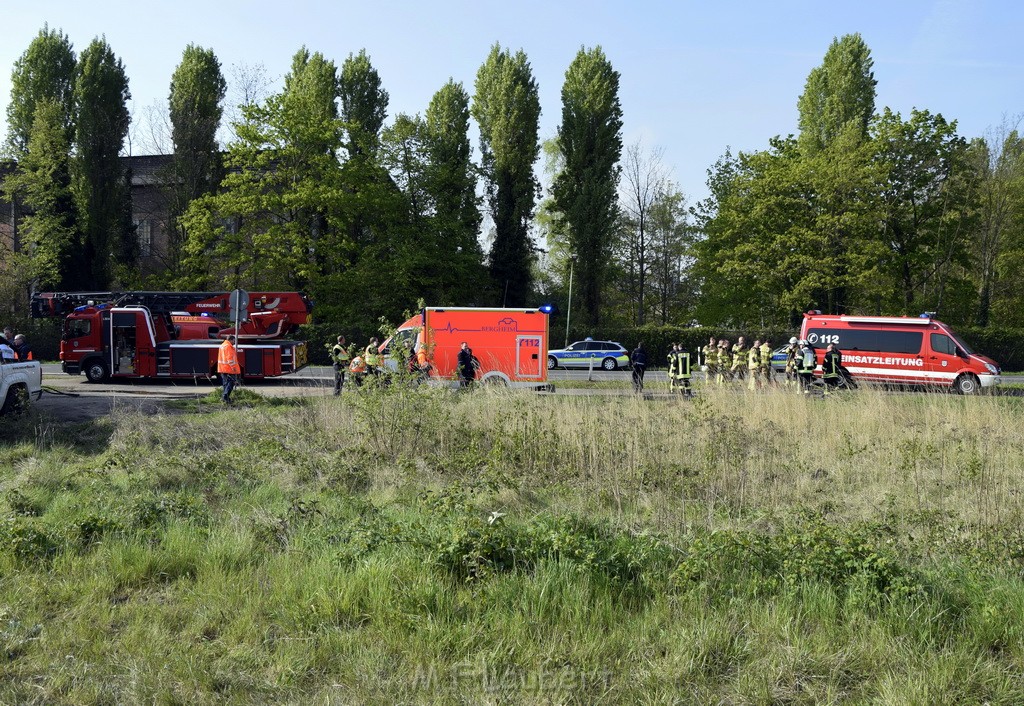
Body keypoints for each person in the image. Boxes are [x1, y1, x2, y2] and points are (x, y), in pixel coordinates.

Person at [217, 335, 242, 404]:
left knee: (225, 384)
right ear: (231, 340)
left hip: (222, 368)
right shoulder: (228, 347)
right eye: (234, 341)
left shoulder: (222, 345)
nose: (234, 342)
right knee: (231, 382)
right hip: (228, 368)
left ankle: (225, 398)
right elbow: (230, 359)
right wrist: (234, 368)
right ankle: (225, 396)